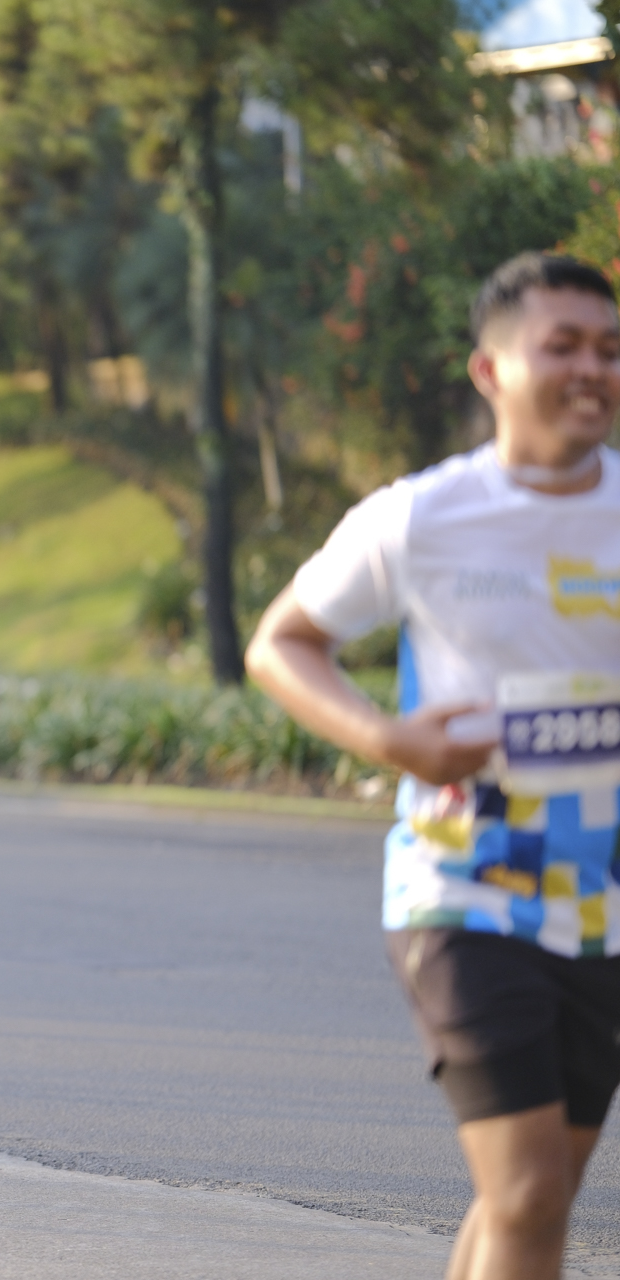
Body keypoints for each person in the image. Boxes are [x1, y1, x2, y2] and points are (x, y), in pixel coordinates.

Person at [245, 252, 620, 1280]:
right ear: (490, 371)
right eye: (563, 346)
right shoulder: (420, 517)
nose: (592, 369)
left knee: (532, 1195)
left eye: (609, 348)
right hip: (464, 887)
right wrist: (390, 739)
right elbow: (280, 643)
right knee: (529, 1191)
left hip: (602, 900)